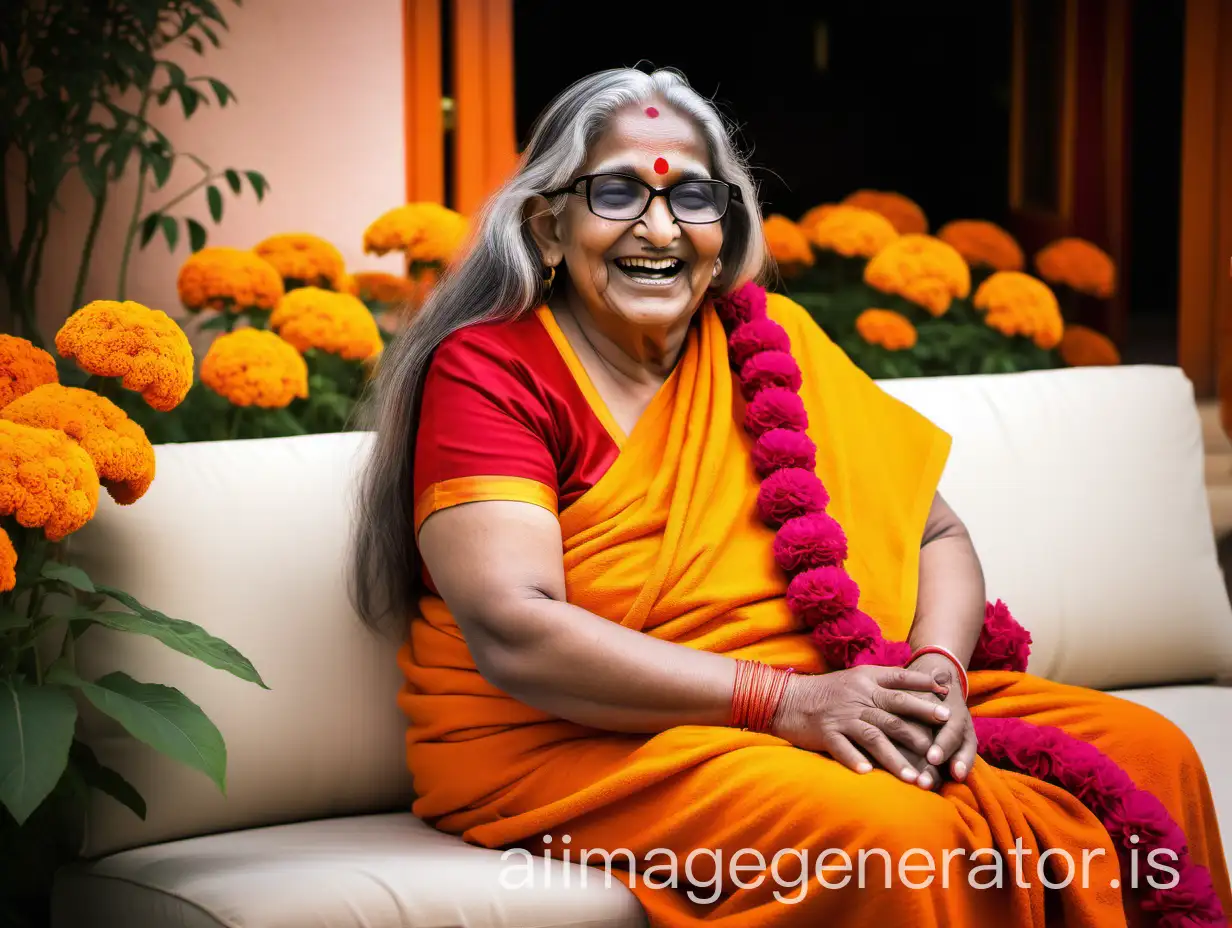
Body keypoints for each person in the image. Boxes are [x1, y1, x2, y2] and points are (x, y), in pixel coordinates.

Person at [350, 67, 1231, 926]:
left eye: (692, 198)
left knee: (1154, 751)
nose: (658, 228)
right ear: (548, 227)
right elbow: (517, 629)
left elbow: (937, 534)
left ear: (725, 228)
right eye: (617, 193)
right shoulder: (495, 370)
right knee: (899, 829)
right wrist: (788, 703)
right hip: (583, 737)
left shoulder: (776, 343)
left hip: (837, 693)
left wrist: (935, 676)